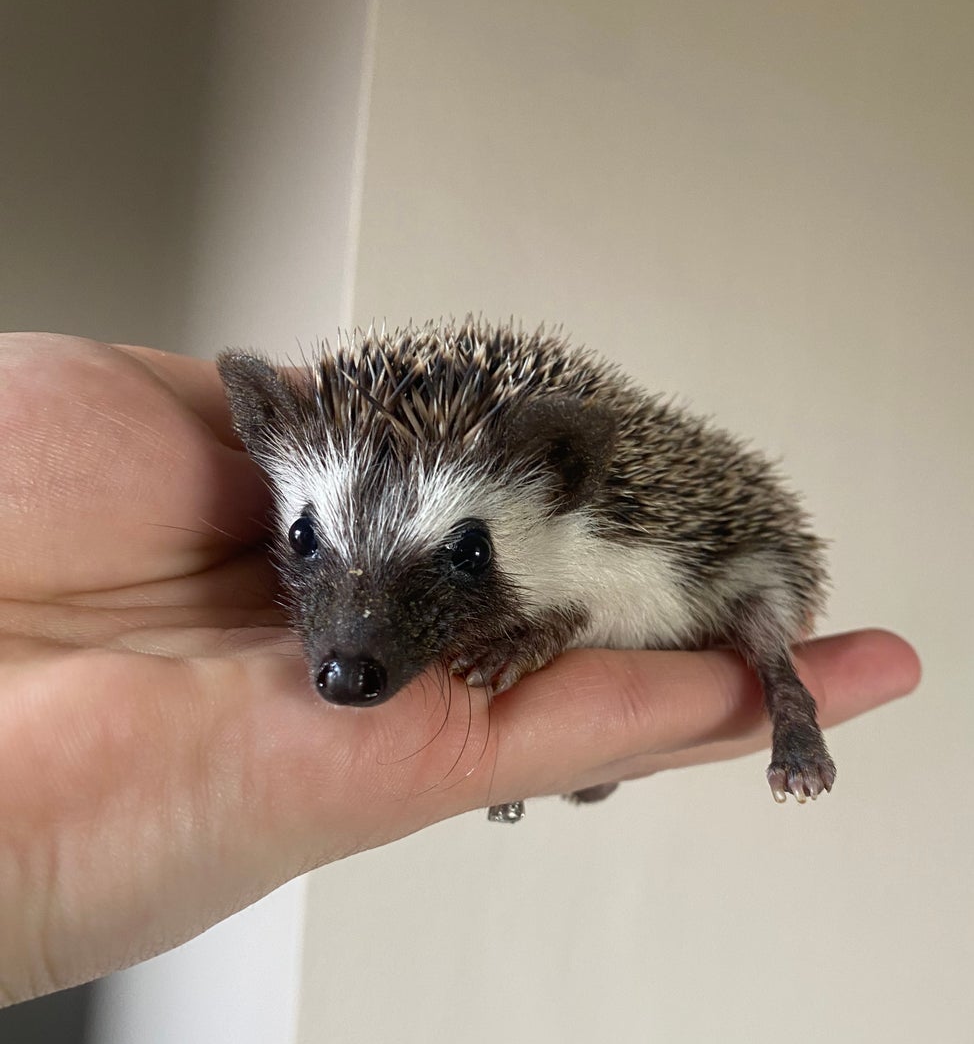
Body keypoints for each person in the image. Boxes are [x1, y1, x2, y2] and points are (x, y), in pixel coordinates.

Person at [0, 334, 920, 1006]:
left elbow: (626, 595)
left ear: (560, 480)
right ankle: (583, 762)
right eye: (312, 543)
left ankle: (786, 711)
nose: (349, 636)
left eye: (463, 554)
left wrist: (550, 625)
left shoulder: (599, 536)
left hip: (718, 580)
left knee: (760, 616)